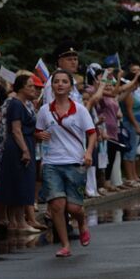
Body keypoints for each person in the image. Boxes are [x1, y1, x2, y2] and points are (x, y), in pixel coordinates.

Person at [34, 69, 97, 258]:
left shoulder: (80, 109)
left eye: (64, 81)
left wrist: (88, 152)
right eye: (56, 81)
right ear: (52, 86)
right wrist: (40, 135)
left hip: (74, 162)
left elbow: (92, 133)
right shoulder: (45, 110)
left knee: (73, 208)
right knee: (57, 206)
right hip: (52, 162)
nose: (60, 84)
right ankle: (65, 244)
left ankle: (82, 221)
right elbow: (37, 132)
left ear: (70, 87)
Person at [0, 74, 40, 234]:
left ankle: (15, 221)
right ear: (21, 88)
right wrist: (25, 150)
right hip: (18, 146)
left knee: (20, 181)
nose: (34, 89)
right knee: (20, 182)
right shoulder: (16, 104)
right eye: (30, 86)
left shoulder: (25, 104)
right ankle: (20, 221)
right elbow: (16, 130)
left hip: (26, 142)